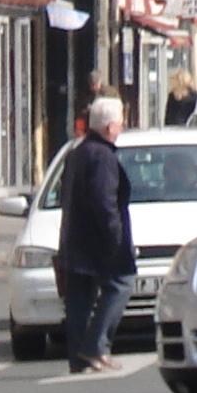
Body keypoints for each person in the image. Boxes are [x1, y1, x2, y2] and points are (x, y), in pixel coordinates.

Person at [55, 93, 138, 376]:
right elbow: (104, 201)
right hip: (97, 241)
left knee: (79, 300)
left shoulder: (78, 151)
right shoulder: (102, 156)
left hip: (75, 238)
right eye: (120, 123)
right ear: (108, 127)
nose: (122, 128)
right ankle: (95, 347)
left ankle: (79, 357)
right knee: (121, 285)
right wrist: (115, 237)